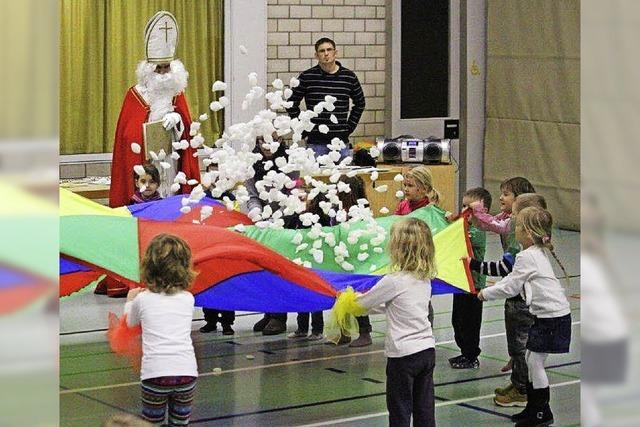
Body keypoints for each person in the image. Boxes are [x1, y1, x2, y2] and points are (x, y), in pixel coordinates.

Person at [478, 207, 571, 427]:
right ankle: (534, 407)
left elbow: (510, 287)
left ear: (528, 233)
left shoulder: (527, 256)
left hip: (553, 317)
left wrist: (485, 294)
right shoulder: (533, 252)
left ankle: (541, 413)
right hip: (546, 316)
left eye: (518, 226)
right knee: (530, 360)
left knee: (536, 362)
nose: (514, 229)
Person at [109, 11, 199, 208]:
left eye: (166, 68)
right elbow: (127, 136)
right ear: (148, 69)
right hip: (145, 161)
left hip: (172, 162)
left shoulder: (177, 93)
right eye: (158, 69)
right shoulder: (135, 95)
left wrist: (178, 122)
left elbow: (188, 135)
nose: (163, 74)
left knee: (170, 197)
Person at [352, 217, 436, 427]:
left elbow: (363, 304)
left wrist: (345, 298)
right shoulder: (424, 278)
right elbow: (393, 305)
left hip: (403, 356)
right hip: (426, 350)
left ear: (398, 248)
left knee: (399, 408)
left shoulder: (393, 280)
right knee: (424, 407)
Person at [470, 177, 537, 407]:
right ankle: (518, 381)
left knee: (520, 346)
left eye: (506, 194)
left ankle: (522, 389)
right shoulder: (510, 219)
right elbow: (491, 222)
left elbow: (505, 265)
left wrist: (474, 264)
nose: (501, 198)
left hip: (521, 295)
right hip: (514, 292)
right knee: (515, 345)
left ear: (519, 201)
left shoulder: (519, 227)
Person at [124, 234, 198, 426]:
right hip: (186, 372)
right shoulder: (188, 298)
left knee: (151, 423)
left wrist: (130, 301)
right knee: (180, 423)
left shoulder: (143, 299)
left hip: (155, 374)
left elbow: (130, 323)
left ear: (149, 266)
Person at [247, 136, 298, 336]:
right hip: (263, 224)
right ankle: (269, 311)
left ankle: (279, 316)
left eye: (272, 140)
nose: (267, 146)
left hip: (286, 222)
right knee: (264, 269)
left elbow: (293, 193)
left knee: (280, 270)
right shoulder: (252, 163)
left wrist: (279, 219)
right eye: (262, 141)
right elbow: (252, 196)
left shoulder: (289, 162)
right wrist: (258, 216)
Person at [286, 37, 366, 158]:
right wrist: (302, 129)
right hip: (315, 143)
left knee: (342, 177)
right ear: (316, 55)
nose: (326, 54)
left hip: (340, 143)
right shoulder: (307, 77)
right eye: (322, 51)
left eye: (329, 50)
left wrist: (349, 128)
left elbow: (360, 103)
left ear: (335, 53)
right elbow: (291, 103)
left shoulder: (349, 77)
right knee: (316, 177)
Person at [448, 187, 490, 370]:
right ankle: (464, 351)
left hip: (474, 286)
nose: (465, 211)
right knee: (457, 320)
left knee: (470, 322)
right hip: (461, 282)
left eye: (470, 208)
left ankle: (471, 355)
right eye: (463, 206)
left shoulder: (479, 230)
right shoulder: (464, 225)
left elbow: (460, 239)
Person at [394, 165, 440, 327]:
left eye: (410, 186)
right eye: (405, 185)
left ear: (424, 189)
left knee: (422, 297)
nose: (406, 189)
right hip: (403, 259)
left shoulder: (430, 210)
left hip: (422, 260)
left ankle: (426, 328)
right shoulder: (403, 206)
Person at [199, 163, 236, 335]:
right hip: (207, 248)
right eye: (211, 172)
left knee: (226, 287)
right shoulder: (200, 197)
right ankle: (210, 320)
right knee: (208, 285)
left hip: (226, 249)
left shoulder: (230, 198)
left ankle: (227, 323)